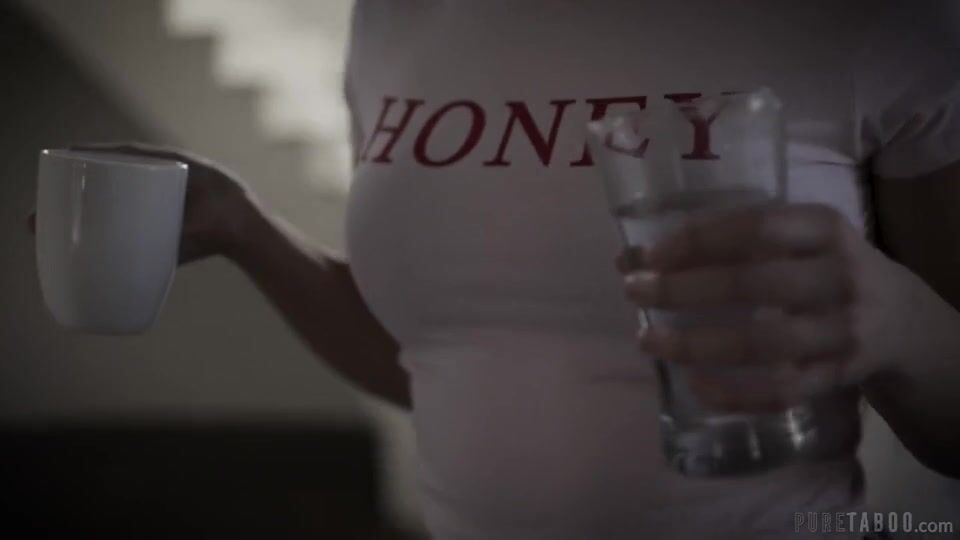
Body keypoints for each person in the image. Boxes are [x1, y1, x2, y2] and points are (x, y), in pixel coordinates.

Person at [34, 1, 960, 538]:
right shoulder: (396, 15)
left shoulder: (867, 17)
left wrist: (900, 323)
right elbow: (439, 359)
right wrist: (247, 228)